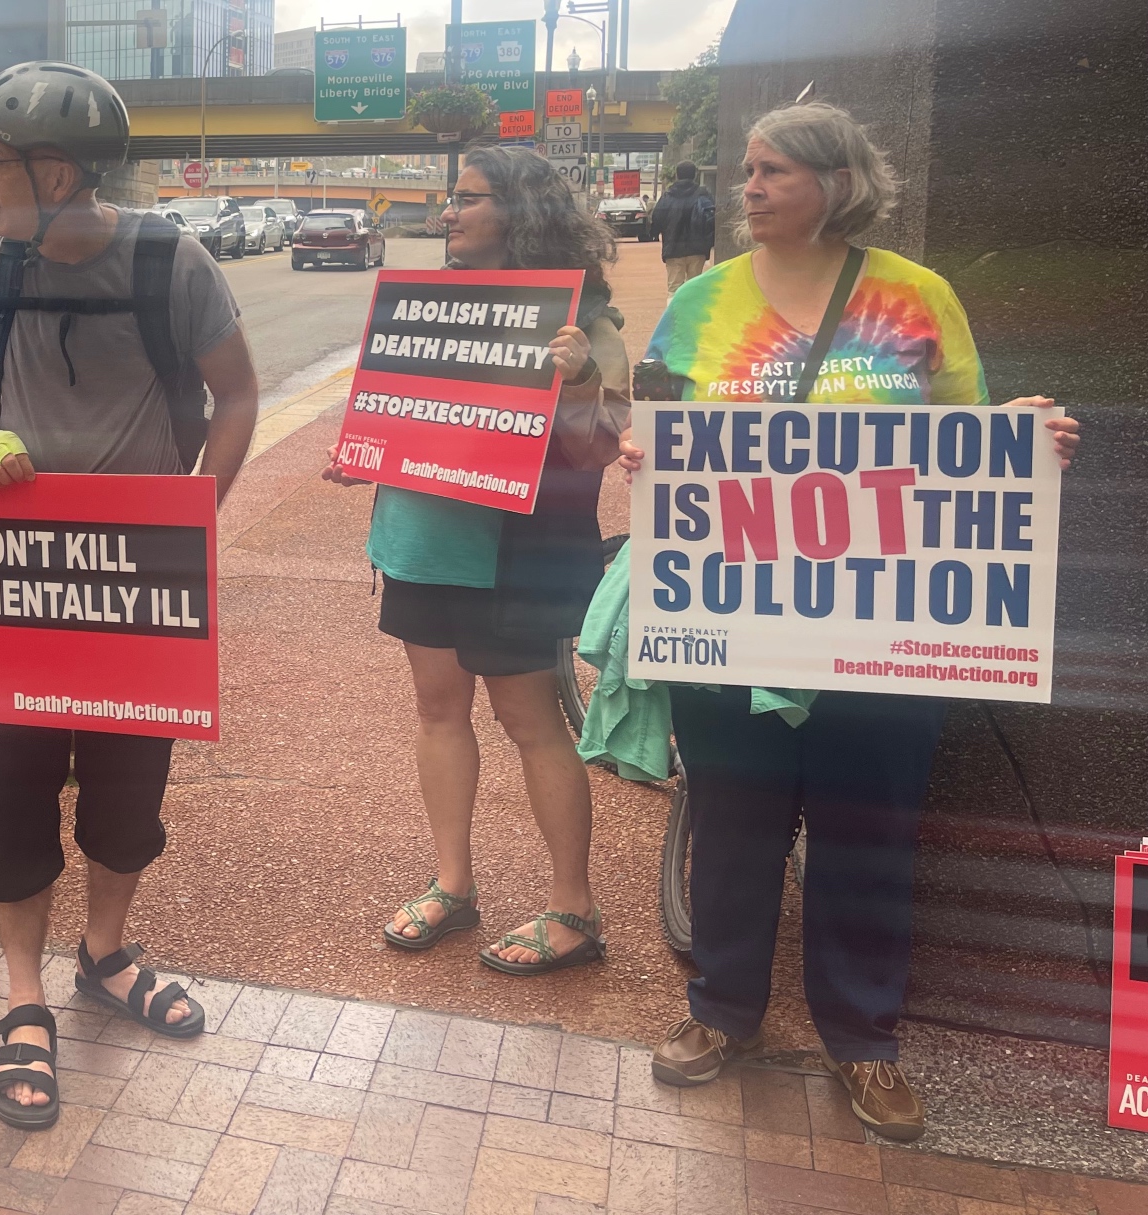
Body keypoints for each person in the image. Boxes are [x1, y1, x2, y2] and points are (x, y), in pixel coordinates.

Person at [618, 102, 1079, 1142]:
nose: (749, 188)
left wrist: (1024, 438)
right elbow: (652, 431)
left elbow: (968, 441)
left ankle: (864, 1042)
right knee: (732, 829)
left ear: (837, 180)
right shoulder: (698, 305)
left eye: (772, 170)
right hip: (735, 620)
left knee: (868, 841)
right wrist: (641, 460)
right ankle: (721, 1013)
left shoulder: (917, 300)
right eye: (747, 170)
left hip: (881, 633)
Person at [0, 61, 260, 1130]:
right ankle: (23, 997)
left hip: (134, 586)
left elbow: (238, 391)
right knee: (8, 787)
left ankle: (106, 953)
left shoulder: (172, 261)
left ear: (59, 169)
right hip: (14, 581)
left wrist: (193, 518)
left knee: (129, 794)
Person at [320, 146, 630, 977]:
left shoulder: (585, 322)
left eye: (468, 198)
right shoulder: (426, 305)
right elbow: (407, 413)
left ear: (520, 213)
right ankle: (453, 883)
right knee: (437, 711)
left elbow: (601, 448)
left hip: (514, 556)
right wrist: (366, 451)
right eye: (449, 199)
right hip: (422, 544)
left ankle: (575, 906)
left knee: (530, 721)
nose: (448, 213)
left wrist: (574, 384)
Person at [653, 161, 716, 293]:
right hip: (698, 249)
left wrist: (654, 233)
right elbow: (713, 218)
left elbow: (656, 219)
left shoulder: (668, 195)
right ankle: (693, 314)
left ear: (677, 175)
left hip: (673, 248)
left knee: (674, 289)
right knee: (694, 289)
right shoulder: (703, 194)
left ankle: (675, 314)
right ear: (695, 175)